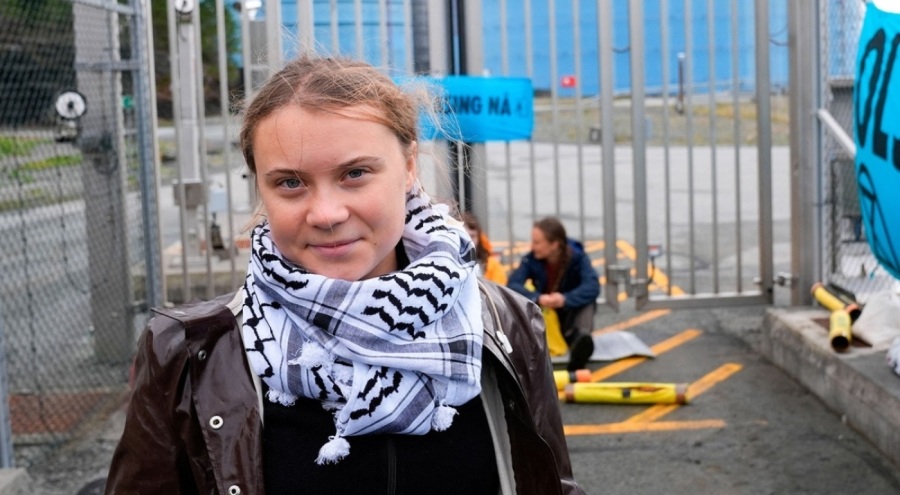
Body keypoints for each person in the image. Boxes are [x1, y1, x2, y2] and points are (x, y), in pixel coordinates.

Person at [105, 55, 584, 495]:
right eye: (290, 182)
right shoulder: (189, 352)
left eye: (355, 173)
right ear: (261, 188)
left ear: (409, 165)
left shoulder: (507, 326)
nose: (327, 213)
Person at [507, 217, 600, 372]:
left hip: (570, 313)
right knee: (521, 301)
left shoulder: (577, 257)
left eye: (537, 242)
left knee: (587, 303)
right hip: (545, 315)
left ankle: (581, 342)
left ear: (554, 244)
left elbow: (592, 285)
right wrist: (538, 297)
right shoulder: (531, 259)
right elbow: (513, 284)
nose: (533, 246)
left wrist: (565, 299)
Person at [462, 211, 508, 285]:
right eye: (464, 236)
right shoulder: (446, 264)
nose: (469, 241)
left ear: (479, 238)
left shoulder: (493, 266)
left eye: (472, 236)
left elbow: (497, 292)